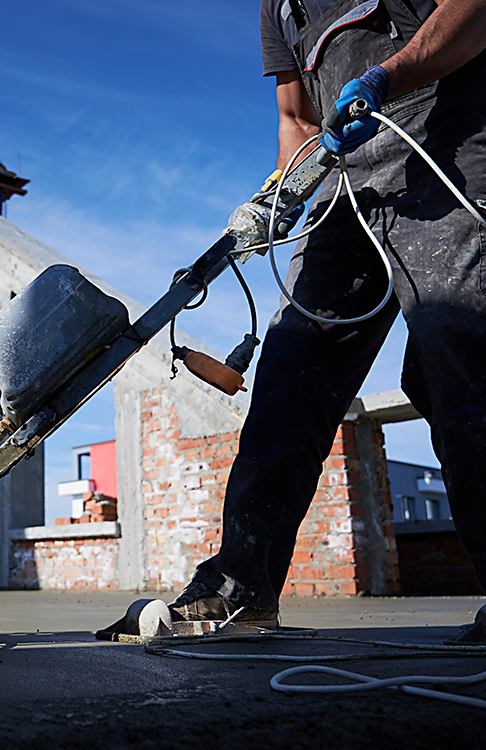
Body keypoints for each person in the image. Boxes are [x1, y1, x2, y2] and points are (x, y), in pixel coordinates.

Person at [168, 0, 486, 636]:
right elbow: (295, 116)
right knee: (290, 373)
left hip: (446, 146)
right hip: (349, 185)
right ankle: (240, 586)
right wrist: (283, 193)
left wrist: (384, 79)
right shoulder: (278, 7)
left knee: (458, 357)